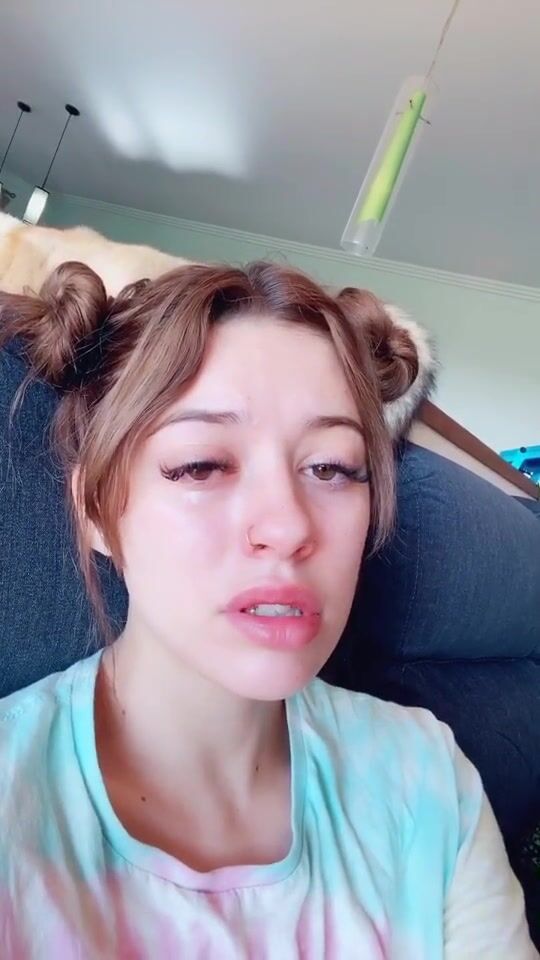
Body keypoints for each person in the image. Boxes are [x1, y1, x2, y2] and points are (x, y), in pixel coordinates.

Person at [0, 260, 536, 959]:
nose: (287, 527)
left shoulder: (426, 773)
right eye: (202, 464)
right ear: (95, 510)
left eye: (332, 468)